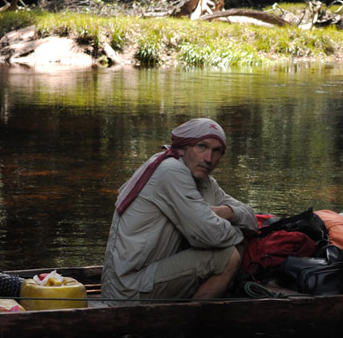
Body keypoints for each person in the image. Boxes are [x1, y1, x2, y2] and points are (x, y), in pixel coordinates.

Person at [102, 117, 258, 302]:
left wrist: (228, 212)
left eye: (217, 151)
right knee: (227, 256)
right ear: (183, 148)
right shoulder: (171, 170)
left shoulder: (204, 181)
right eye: (202, 147)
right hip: (128, 288)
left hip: (148, 276)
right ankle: (188, 324)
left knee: (230, 246)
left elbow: (250, 217)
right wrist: (238, 232)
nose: (208, 159)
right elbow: (209, 234)